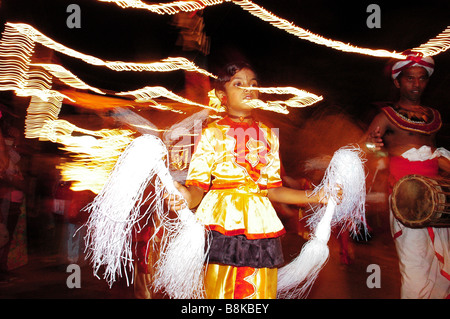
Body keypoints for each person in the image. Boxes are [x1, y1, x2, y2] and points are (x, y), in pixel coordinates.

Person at [167, 61, 329, 299]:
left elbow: (273, 190)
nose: (248, 89)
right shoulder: (212, 133)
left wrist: (316, 195)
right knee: (220, 292)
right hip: (222, 225)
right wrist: (185, 197)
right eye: (239, 84)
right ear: (222, 96)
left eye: (253, 84)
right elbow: (198, 187)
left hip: (261, 226)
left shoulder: (268, 135)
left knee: (259, 292)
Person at [364, 52, 450, 299]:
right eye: (410, 78)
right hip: (405, 199)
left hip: (436, 198)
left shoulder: (434, 116)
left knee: (437, 263)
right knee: (415, 265)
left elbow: (433, 154)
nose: (416, 84)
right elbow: (366, 147)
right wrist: (373, 146)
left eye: (422, 78)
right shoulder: (386, 115)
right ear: (398, 82)